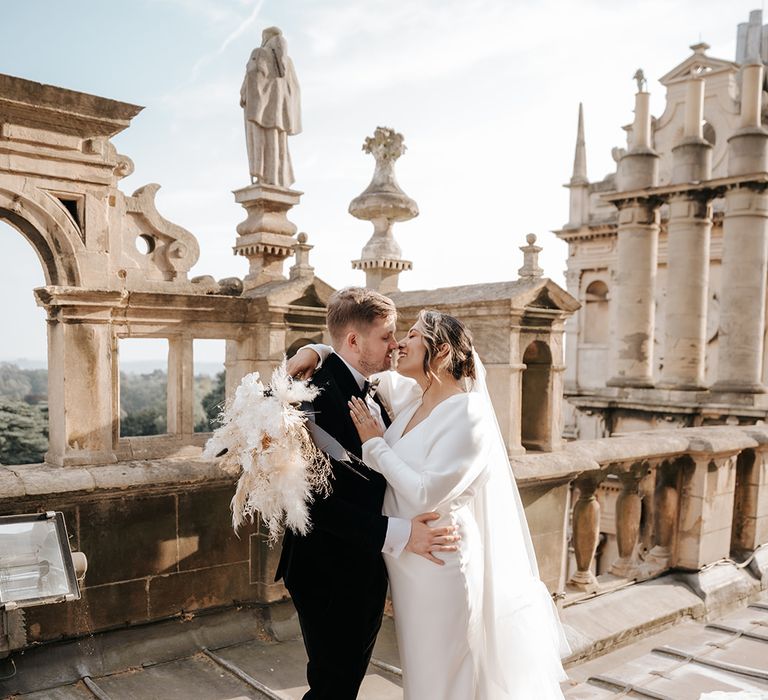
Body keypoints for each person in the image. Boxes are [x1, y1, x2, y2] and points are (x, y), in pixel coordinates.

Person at [291, 309, 571, 699]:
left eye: (411, 336)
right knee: (423, 677)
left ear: (439, 353)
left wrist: (374, 444)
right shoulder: (410, 397)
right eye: (396, 335)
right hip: (409, 567)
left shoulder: (468, 413)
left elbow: (426, 493)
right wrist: (315, 351)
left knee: (442, 678)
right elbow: (349, 355)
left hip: (440, 562)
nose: (399, 344)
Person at [276, 289, 461, 700]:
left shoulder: (369, 385)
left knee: (339, 683)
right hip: (330, 571)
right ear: (355, 342)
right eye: (386, 336)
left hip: (355, 567)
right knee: (333, 688)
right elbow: (311, 503)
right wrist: (402, 534)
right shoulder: (316, 396)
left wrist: (318, 348)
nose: (395, 344)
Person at [240, 26, 302, 187]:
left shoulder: (260, 53)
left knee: (261, 143)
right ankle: (277, 179)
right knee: (277, 146)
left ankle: (263, 177)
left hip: (260, 111)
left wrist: (244, 94)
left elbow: (254, 73)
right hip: (279, 116)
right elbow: (294, 89)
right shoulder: (288, 62)